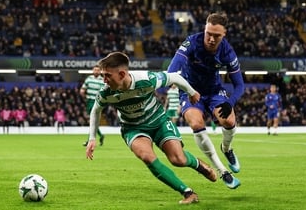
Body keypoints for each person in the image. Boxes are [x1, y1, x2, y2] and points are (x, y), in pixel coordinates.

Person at [85, 52, 218, 205]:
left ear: (122, 74)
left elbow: (174, 77)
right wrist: (92, 139)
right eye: (103, 75)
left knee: (178, 159)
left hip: (158, 121)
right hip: (133, 128)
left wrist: (192, 92)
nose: (104, 80)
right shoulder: (105, 92)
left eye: (107, 75)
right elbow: (95, 110)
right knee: (147, 156)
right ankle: (188, 192)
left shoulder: (147, 79)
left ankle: (200, 166)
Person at [167, 12, 242, 189]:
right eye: (209, 33)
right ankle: (223, 170)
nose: (211, 39)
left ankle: (227, 148)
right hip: (190, 91)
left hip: (214, 91)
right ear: (205, 29)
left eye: (217, 36)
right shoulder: (192, 42)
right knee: (195, 123)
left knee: (229, 121)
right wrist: (184, 87)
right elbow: (172, 69)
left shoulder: (228, 52)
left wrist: (230, 102)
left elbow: (239, 85)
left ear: (224, 35)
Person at [81, 65, 105, 146]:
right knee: (93, 121)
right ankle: (101, 135)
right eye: (95, 70)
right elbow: (83, 89)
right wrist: (83, 93)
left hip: (96, 102)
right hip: (89, 102)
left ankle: (89, 141)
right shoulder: (89, 79)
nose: (96, 71)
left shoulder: (102, 80)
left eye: (98, 70)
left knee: (92, 121)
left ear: (100, 71)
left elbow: (103, 92)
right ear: (92, 71)